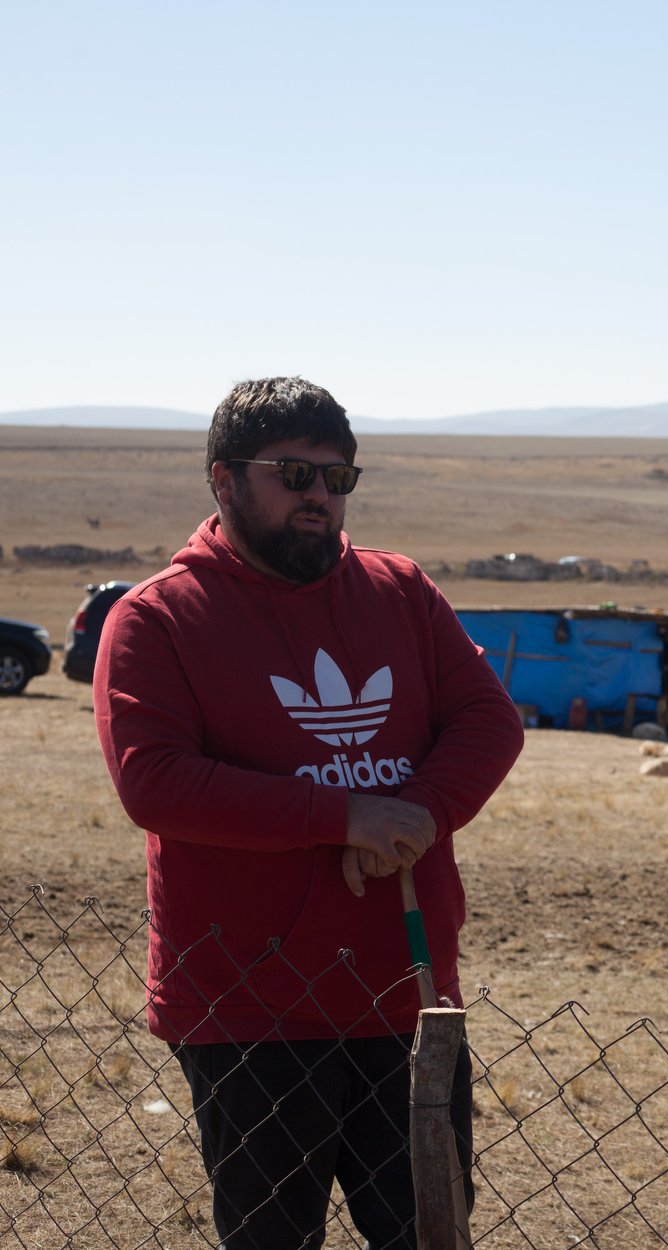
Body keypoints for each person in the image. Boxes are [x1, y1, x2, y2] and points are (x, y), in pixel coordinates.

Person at [94, 377, 525, 1250]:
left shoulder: (399, 591)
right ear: (224, 479)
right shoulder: (158, 618)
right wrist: (343, 816)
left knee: (430, 1234)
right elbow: (156, 781)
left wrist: (411, 815)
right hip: (250, 1008)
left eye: (337, 478)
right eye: (293, 474)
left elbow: (489, 721)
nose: (318, 496)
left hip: (406, 997)